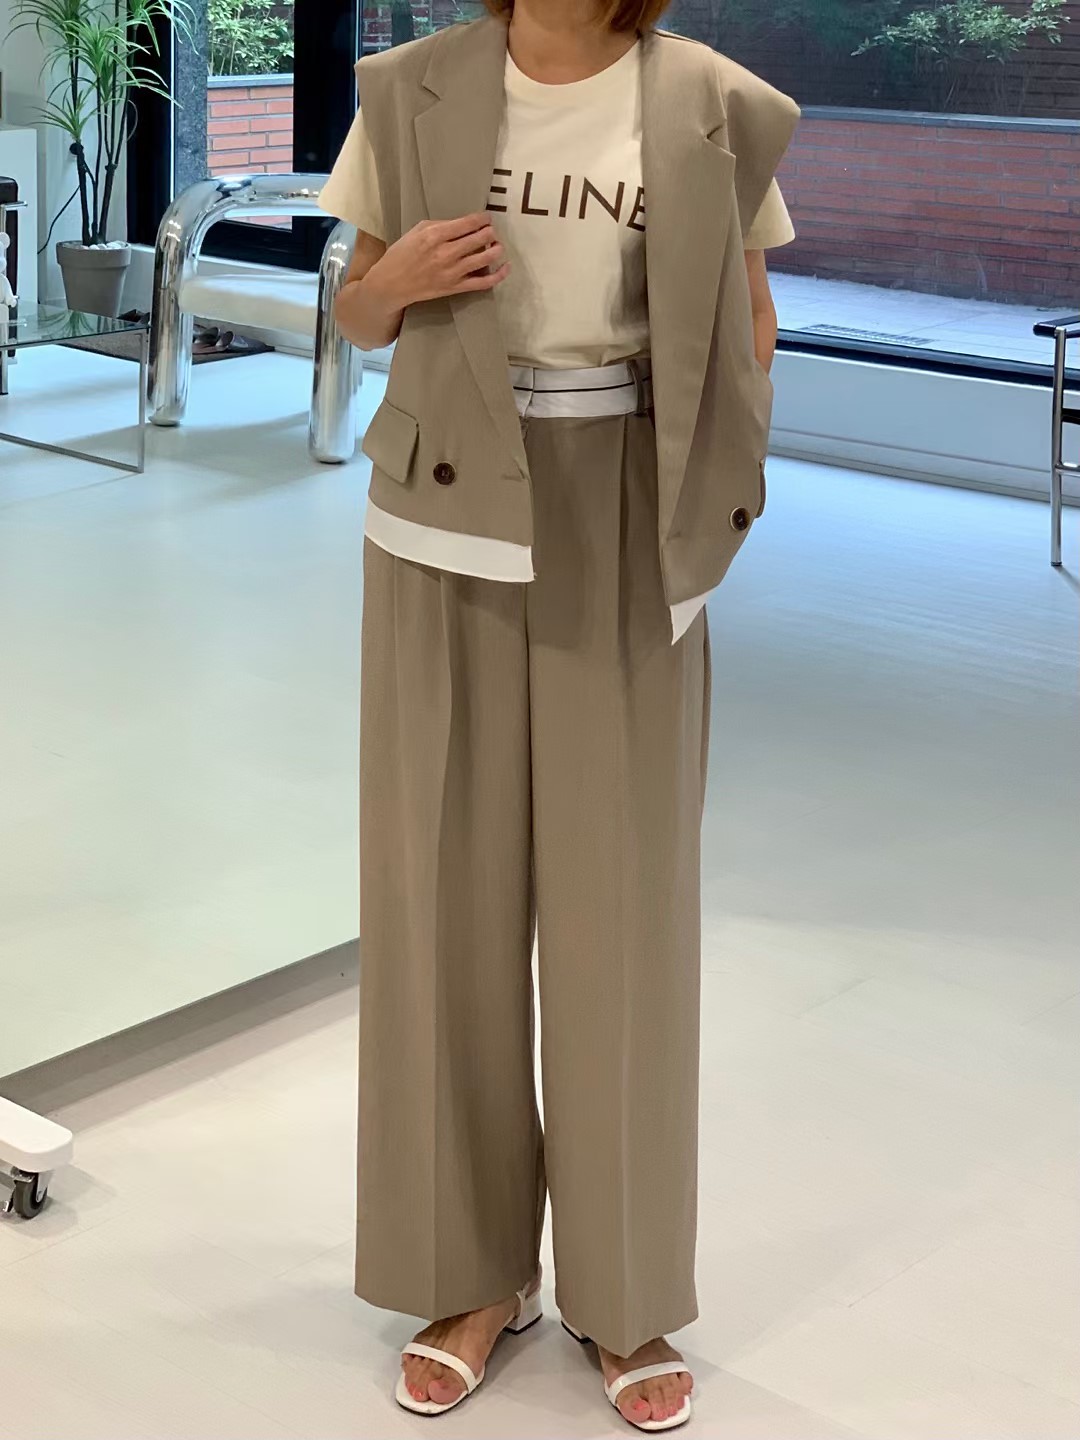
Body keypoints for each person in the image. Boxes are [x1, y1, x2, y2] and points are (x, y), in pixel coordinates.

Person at [319, 0, 799, 1428]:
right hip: (442, 515)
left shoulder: (710, 99)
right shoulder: (413, 87)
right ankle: (466, 1274)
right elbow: (354, 308)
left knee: (624, 918)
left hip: (630, 510)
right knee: (441, 906)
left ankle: (624, 1288)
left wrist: (729, 477)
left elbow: (755, 315)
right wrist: (396, 278)